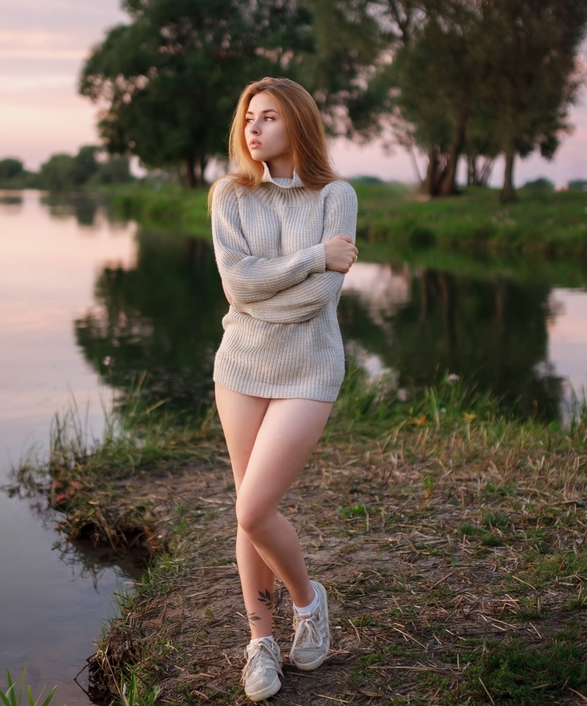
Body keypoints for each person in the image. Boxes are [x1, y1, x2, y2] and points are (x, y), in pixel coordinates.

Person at [208, 76, 359, 702]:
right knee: (252, 514)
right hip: (240, 367)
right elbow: (237, 287)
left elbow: (321, 299)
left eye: (268, 117)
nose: (254, 128)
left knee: (251, 509)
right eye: (248, 117)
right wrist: (312, 257)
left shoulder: (337, 195)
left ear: (297, 123)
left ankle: (309, 601)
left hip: (309, 370)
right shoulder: (229, 195)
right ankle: (261, 642)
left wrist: (278, 287)